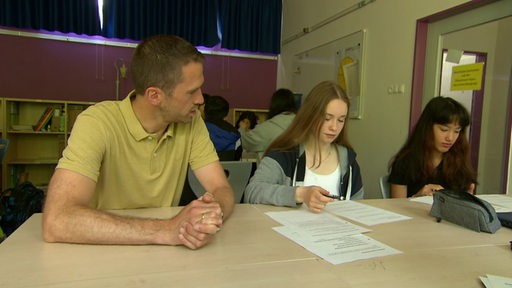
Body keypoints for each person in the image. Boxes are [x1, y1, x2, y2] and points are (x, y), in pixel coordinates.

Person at [42, 35, 235, 249]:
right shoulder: (96, 122)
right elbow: (57, 220)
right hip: (101, 249)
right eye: (191, 92)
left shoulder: (191, 121)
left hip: (162, 252)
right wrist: (166, 229)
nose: (200, 100)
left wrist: (209, 216)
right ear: (154, 96)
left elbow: (221, 188)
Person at [244, 81, 364, 213]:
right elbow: (252, 191)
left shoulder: (348, 160)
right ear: (310, 115)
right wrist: (300, 194)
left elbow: (358, 204)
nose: (334, 127)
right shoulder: (285, 153)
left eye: (341, 120)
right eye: (327, 118)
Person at [387, 96, 477, 198]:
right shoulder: (405, 161)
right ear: (427, 128)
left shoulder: (459, 159)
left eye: (457, 131)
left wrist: (468, 199)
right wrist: (417, 197)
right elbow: (396, 207)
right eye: (444, 129)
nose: (450, 138)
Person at [238, 88, 297, 162]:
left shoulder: (267, 128)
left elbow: (244, 142)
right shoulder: (302, 125)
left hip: (271, 171)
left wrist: (242, 129)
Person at [204, 95, 242, 160]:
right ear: (226, 114)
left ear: (205, 111)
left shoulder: (198, 129)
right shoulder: (235, 133)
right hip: (228, 169)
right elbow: (237, 157)